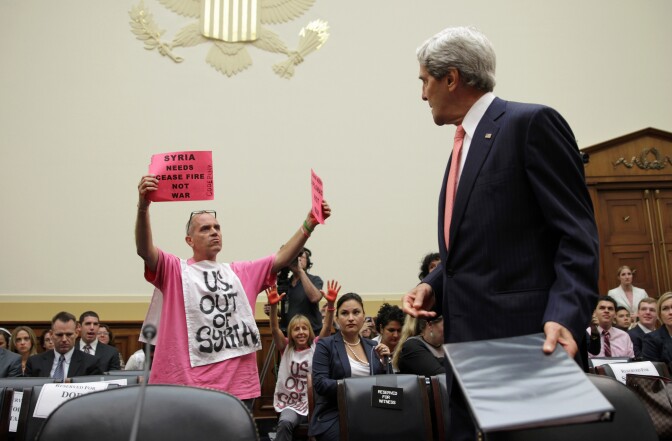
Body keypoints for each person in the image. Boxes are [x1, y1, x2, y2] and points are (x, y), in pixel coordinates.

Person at [401, 26, 599, 440]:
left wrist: (565, 314)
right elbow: (489, 242)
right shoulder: (463, 145)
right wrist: (435, 284)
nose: (422, 95)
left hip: (526, 347)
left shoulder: (530, 124)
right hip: (466, 352)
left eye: (425, 81)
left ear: (451, 78)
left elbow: (576, 235)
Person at [135, 174, 331, 406]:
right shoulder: (174, 270)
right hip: (187, 386)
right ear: (190, 240)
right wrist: (143, 206)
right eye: (205, 229)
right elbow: (145, 250)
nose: (214, 232)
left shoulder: (240, 273)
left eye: (217, 227)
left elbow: (280, 258)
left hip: (235, 387)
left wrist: (309, 224)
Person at [310, 293, 391, 441]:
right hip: (336, 413)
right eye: (344, 313)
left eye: (356, 312)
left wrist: (386, 363)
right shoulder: (325, 345)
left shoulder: (373, 346)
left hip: (372, 411)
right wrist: (354, 387)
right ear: (336, 318)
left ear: (364, 316)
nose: (351, 318)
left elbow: (385, 384)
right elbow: (320, 383)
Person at [267, 281, 338, 441]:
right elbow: (274, 329)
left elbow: (326, 327)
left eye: (304, 328)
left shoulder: (317, 346)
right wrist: (273, 308)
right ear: (291, 333)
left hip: (316, 403)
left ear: (310, 331)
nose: (301, 332)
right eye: (296, 329)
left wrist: (331, 305)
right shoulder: (285, 347)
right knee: (285, 422)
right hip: (292, 403)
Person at [25, 311, 101, 378]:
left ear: (76, 333)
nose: (64, 339)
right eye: (59, 335)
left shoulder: (91, 363)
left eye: (69, 334)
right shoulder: (35, 362)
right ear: (51, 335)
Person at [279, 248, 325, 335]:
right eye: (293, 257)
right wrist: (272, 311)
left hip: (312, 334)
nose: (297, 259)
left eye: (300, 256)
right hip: (290, 335)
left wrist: (300, 271)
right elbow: (287, 310)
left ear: (307, 261)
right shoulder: (285, 283)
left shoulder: (315, 280)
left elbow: (315, 298)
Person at [642, 292, 672, 367]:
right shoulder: (651, 340)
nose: (670, 312)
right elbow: (654, 374)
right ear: (660, 315)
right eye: (665, 309)